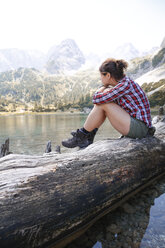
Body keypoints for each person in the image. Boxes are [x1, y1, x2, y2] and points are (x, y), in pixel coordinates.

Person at [62, 58, 155, 149]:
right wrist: (105, 88)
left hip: (141, 129)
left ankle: (82, 136)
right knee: (103, 105)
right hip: (136, 126)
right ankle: (87, 136)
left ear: (108, 75)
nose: (100, 78)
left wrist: (103, 88)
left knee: (104, 103)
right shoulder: (121, 84)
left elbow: (96, 99)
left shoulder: (124, 85)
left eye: (101, 75)